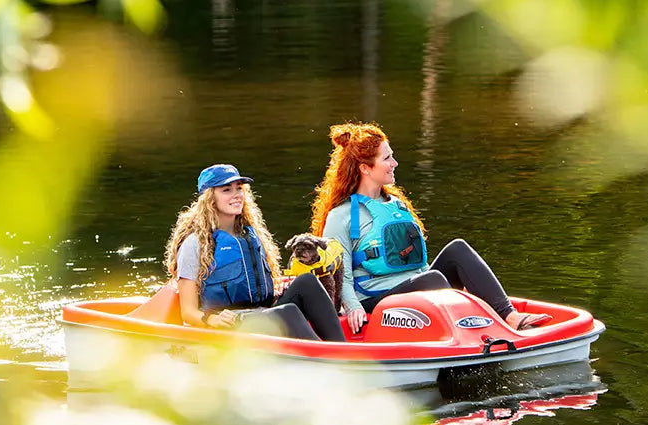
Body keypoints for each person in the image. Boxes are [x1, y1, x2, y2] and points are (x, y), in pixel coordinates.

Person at [310, 122, 551, 334]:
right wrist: (353, 308)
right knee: (433, 279)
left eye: (392, 156)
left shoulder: (397, 205)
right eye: (387, 159)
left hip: (420, 286)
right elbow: (340, 276)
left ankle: (510, 316)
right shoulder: (340, 216)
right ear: (365, 168)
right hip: (376, 301)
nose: (395, 163)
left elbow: (418, 263)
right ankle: (465, 330)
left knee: (457, 250)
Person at [165, 163, 345, 341]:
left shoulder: (249, 234)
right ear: (209, 198)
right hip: (230, 322)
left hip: (262, 311)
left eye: (239, 189)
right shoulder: (194, 244)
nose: (236, 195)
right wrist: (212, 319)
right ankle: (326, 360)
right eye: (226, 190)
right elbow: (188, 312)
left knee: (307, 282)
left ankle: (342, 350)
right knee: (287, 312)